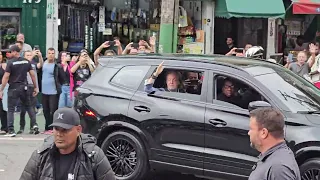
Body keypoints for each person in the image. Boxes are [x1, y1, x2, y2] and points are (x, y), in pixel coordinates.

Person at [20, 108, 116, 180]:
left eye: (65, 130)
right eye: (56, 129)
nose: (59, 134)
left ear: (78, 130)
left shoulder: (93, 156)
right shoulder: (40, 156)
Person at [248, 107, 300, 180]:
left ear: (264, 133)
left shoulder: (279, 168)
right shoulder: (272, 156)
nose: (249, 133)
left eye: (251, 129)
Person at [0, 45, 39, 137]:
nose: (9, 54)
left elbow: (6, 77)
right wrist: (35, 87)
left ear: (14, 52)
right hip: (24, 87)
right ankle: (34, 125)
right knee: (29, 107)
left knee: (11, 109)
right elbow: (32, 75)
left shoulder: (10, 63)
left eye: (10, 52)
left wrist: (1, 89)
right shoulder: (26, 61)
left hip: (13, 88)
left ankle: (11, 130)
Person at [41, 48, 65, 135]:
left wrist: (59, 86)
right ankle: (47, 127)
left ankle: (53, 127)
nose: (51, 55)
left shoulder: (57, 65)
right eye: (49, 53)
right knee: (45, 110)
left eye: (52, 53)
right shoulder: (43, 63)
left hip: (53, 91)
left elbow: (62, 78)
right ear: (47, 54)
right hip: (44, 91)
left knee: (53, 110)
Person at [17, 50, 40, 134]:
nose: (29, 56)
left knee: (32, 108)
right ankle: (22, 127)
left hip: (32, 87)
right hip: (23, 88)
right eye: (27, 55)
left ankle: (32, 127)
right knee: (22, 110)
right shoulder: (22, 64)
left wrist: (36, 87)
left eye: (30, 55)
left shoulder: (33, 65)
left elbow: (35, 75)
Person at [0, 52, 7, 135]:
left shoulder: (4, 66)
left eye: (1, 55)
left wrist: (2, 90)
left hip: (3, 88)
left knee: (3, 109)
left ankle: (5, 128)